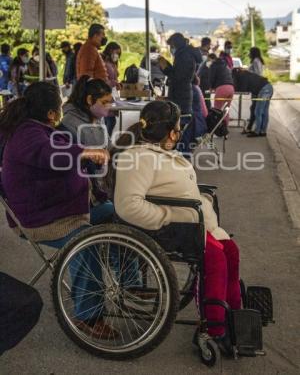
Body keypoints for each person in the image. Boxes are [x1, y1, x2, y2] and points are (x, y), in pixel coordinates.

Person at [110, 101, 241, 354]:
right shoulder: (137, 158)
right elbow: (128, 205)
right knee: (216, 260)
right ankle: (214, 328)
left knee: (231, 252)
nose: (180, 132)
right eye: (179, 128)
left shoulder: (159, 153)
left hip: (191, 222)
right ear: (171, 132)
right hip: (171, 228)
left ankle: (235, 314)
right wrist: (168, 216)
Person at [0, 82, 116, 339]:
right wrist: (85, 152)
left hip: (62, 207)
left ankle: (128, 283)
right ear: (52, 113)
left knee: (115, 215)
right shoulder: (27, 135)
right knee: (85, 242)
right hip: (41, 218)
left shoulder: (39, 129)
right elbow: (53, 154)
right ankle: (88, 315)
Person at [60, 75, 113, 213]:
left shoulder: (96, 118)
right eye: (105, 102)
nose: (109, 106)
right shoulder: (71, 124)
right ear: (90, 100)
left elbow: (109, 147)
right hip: (85, 196)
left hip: (99, 184)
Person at [233, 70, 273, 137]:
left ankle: (257, 131)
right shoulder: (247, 74)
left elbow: (243, 89)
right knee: (264, 112)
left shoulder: (243, 77)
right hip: (268, 87)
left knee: (258, 112)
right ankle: (263, 131)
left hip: (263, 90)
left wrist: (234, 87)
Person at [208, 53, 235, 125]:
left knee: (217, 110)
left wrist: (211, 87)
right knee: (226, 110)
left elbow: (212, 78)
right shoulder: (225, 65)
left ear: (211, 59)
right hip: (231, 88)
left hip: (222, 88)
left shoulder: (213, 65)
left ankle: (217, 129)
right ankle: (225, 129)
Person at [198, 37, 212, 109]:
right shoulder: (204, 55)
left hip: (199, 81)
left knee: (203, 100)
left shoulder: (199, 52)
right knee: (206, 101)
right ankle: (207, 116)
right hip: (204, 82)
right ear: (207, 44)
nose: (210, 46)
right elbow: (208, 68)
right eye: (210, 45)